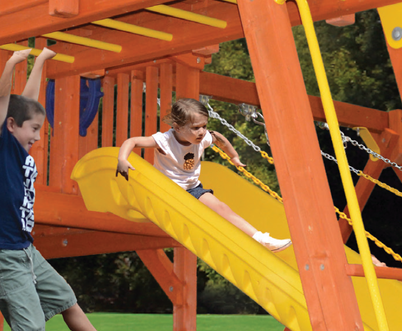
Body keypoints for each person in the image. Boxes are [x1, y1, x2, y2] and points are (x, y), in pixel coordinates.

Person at [0, 45, 146, 331]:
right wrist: (11, 65)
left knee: (65, 297)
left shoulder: (17, 145)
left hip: (23, 247)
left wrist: (39, 63)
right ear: (13, 125)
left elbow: (27, 102)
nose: (38, 136)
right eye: (34, 130)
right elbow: (4, 100)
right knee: (30, 327)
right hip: (1, 251)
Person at [114, 97, 291, 252]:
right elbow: (133, 141)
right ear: (177, 127)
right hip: (167, 192)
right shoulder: (165, 141)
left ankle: (260, 240)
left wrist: (234, 156)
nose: (201, 132)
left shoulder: (204, 137)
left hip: (192, 189)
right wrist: (122, 159)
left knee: (221, 208)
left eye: (204, 126)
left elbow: (218, 138)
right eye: (195, 128)